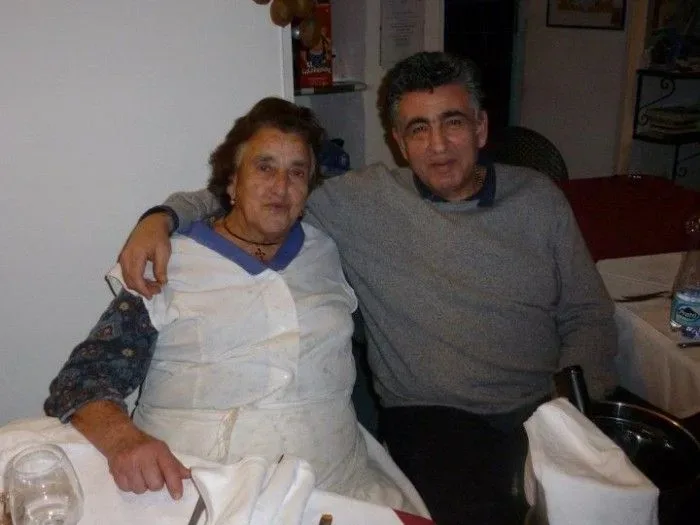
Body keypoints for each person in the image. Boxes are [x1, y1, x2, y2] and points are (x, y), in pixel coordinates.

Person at [110, 52, 618, 524]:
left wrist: (570, 411)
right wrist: (163, 216)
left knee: (606, 509)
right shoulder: (361, 202)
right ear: (399, 141)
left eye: (453, 122)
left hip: (546, 405)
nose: (438, 146)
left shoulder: (539, 201)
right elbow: (254, 193)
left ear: (481, 127)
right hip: (438, 419)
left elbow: (589, 315)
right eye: (418, 129)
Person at [44, 97, 427, 516]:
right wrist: (125, 442)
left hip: (338, 491)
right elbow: (83, 377)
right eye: (264, 168)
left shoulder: (330, 250)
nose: (280, 187)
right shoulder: (169, 261)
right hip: (194, 492)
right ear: (231, 183)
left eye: (297, 172)